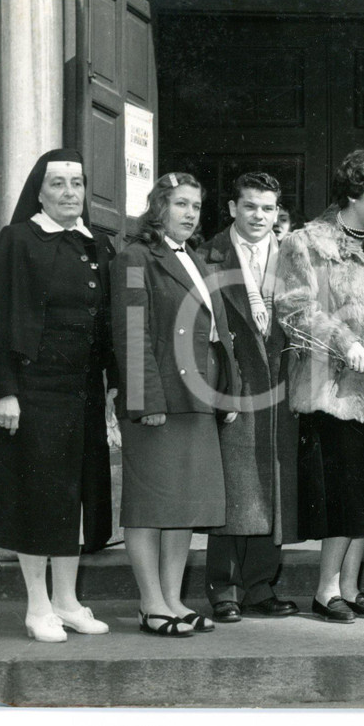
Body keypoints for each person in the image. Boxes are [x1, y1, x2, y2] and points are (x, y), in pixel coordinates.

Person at [0, 149, 117, 642]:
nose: (70, 193)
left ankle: (68, 602)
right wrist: (4, 392)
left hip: (83, 392)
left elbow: (110, 325)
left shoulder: (98, 245)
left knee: (74, 497)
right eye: (58, 184)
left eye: (77, 183)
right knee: (38, 497)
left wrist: (112, 391)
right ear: (39, 191)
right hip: (33, 391)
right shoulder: (17, 241)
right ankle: (37, 605)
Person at [275, 149, 364, 624]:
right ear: (355, 190)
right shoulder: (306, 242)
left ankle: (352, 586)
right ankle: (325, 590)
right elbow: (295, 309)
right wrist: (343, 340)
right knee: (343, 494)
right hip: (333, 388)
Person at [111, 172, 241, 637]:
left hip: (199, 397)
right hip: (161, 399)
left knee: (184, 505)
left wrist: (228, 391)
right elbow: (130, 332)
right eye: (181, 204)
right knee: (152, 504)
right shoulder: (134, 257)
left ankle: (173, 599)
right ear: (158, 206)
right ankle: (150, 603)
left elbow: (220, 335)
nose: (190, 213)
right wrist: (146, 399)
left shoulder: (201, 261)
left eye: (196, 206)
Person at [195, 172, 300, 624]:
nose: (260, 216)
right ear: (234, 208)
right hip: (235, 385)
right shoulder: (208, 256)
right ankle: (224, 588)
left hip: (281, 385)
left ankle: (260, 585)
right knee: (234, 492)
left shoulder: (293, 256)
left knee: (270, 491)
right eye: (251, 206)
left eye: (269, 208)